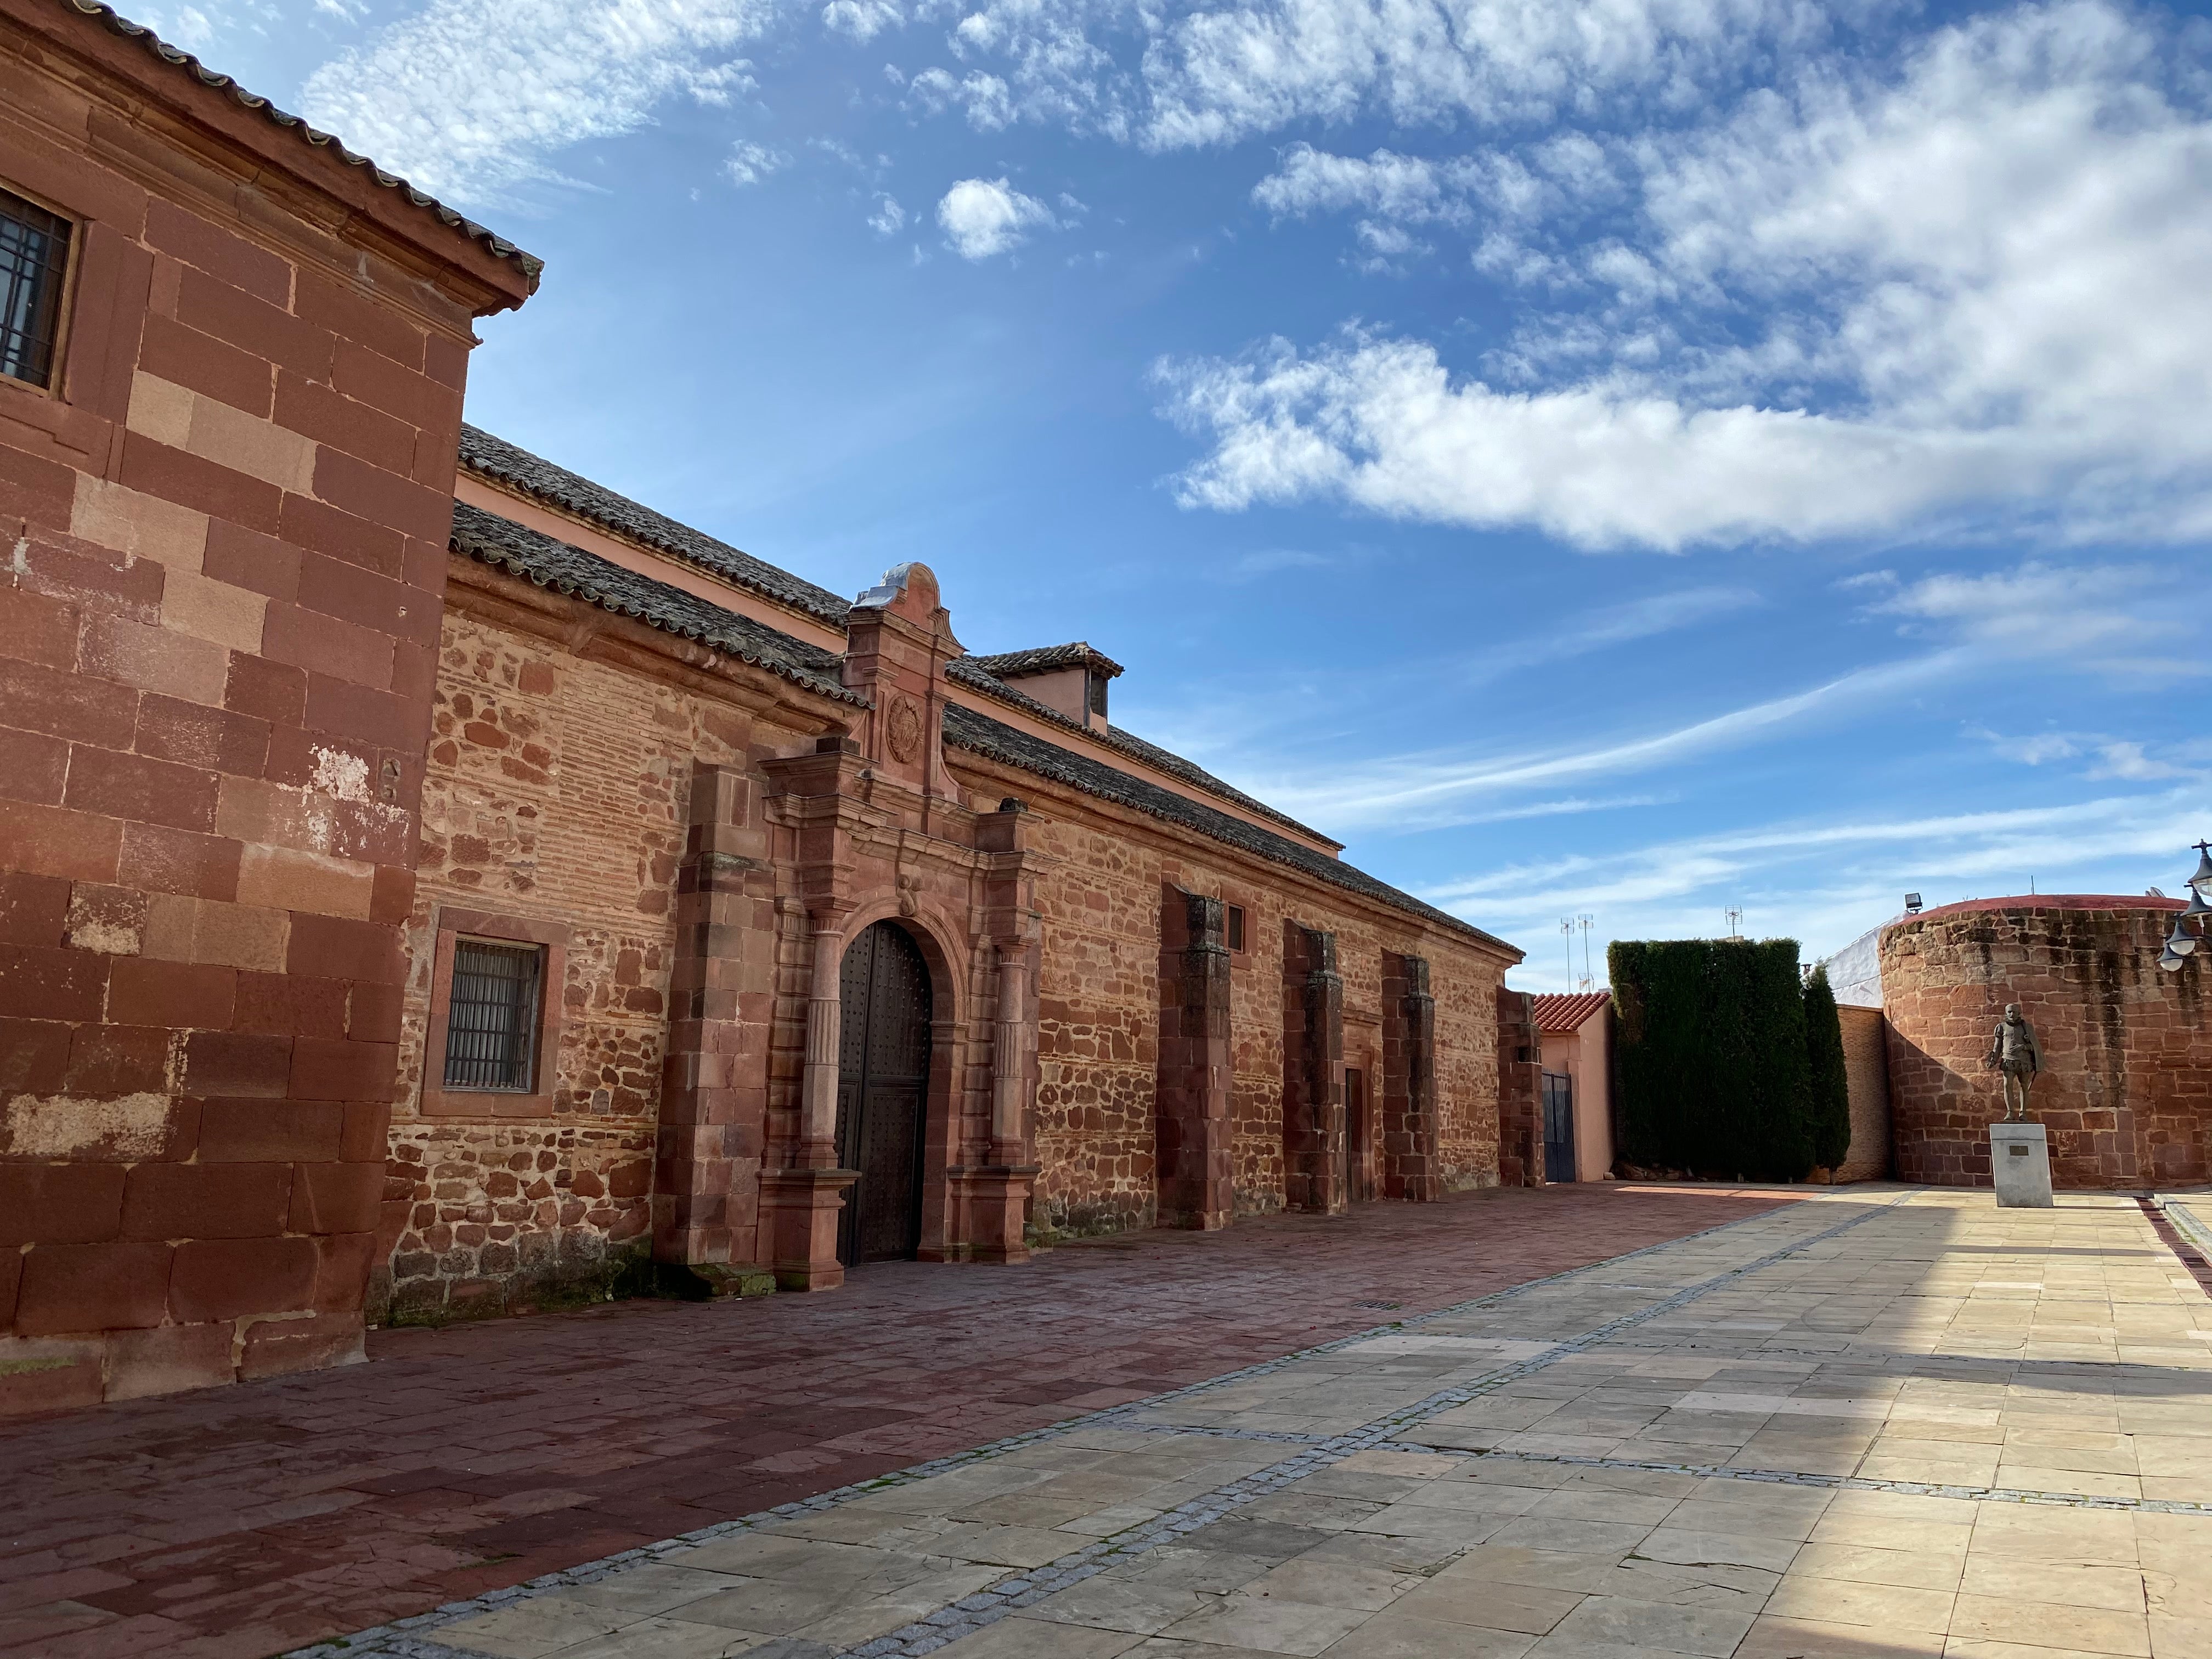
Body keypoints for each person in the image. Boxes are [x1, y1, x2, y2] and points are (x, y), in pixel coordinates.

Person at [1987, 1003, 2042, 1121]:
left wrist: (2023, 1047)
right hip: (2008, 1061)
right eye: (2010, 1012)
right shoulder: (2001, 1027)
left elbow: (2034, 1047)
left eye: (2015, 1012)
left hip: (2024, 1062)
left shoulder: (2027, 1028)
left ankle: (2023, 1113)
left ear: (2019, 1013)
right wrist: (1993, 1060)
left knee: (2024, 1086)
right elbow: (1997, 1047)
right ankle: (2010, 1112)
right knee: (2007, 1086)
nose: (2012, 1014)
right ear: (2006, 1013)